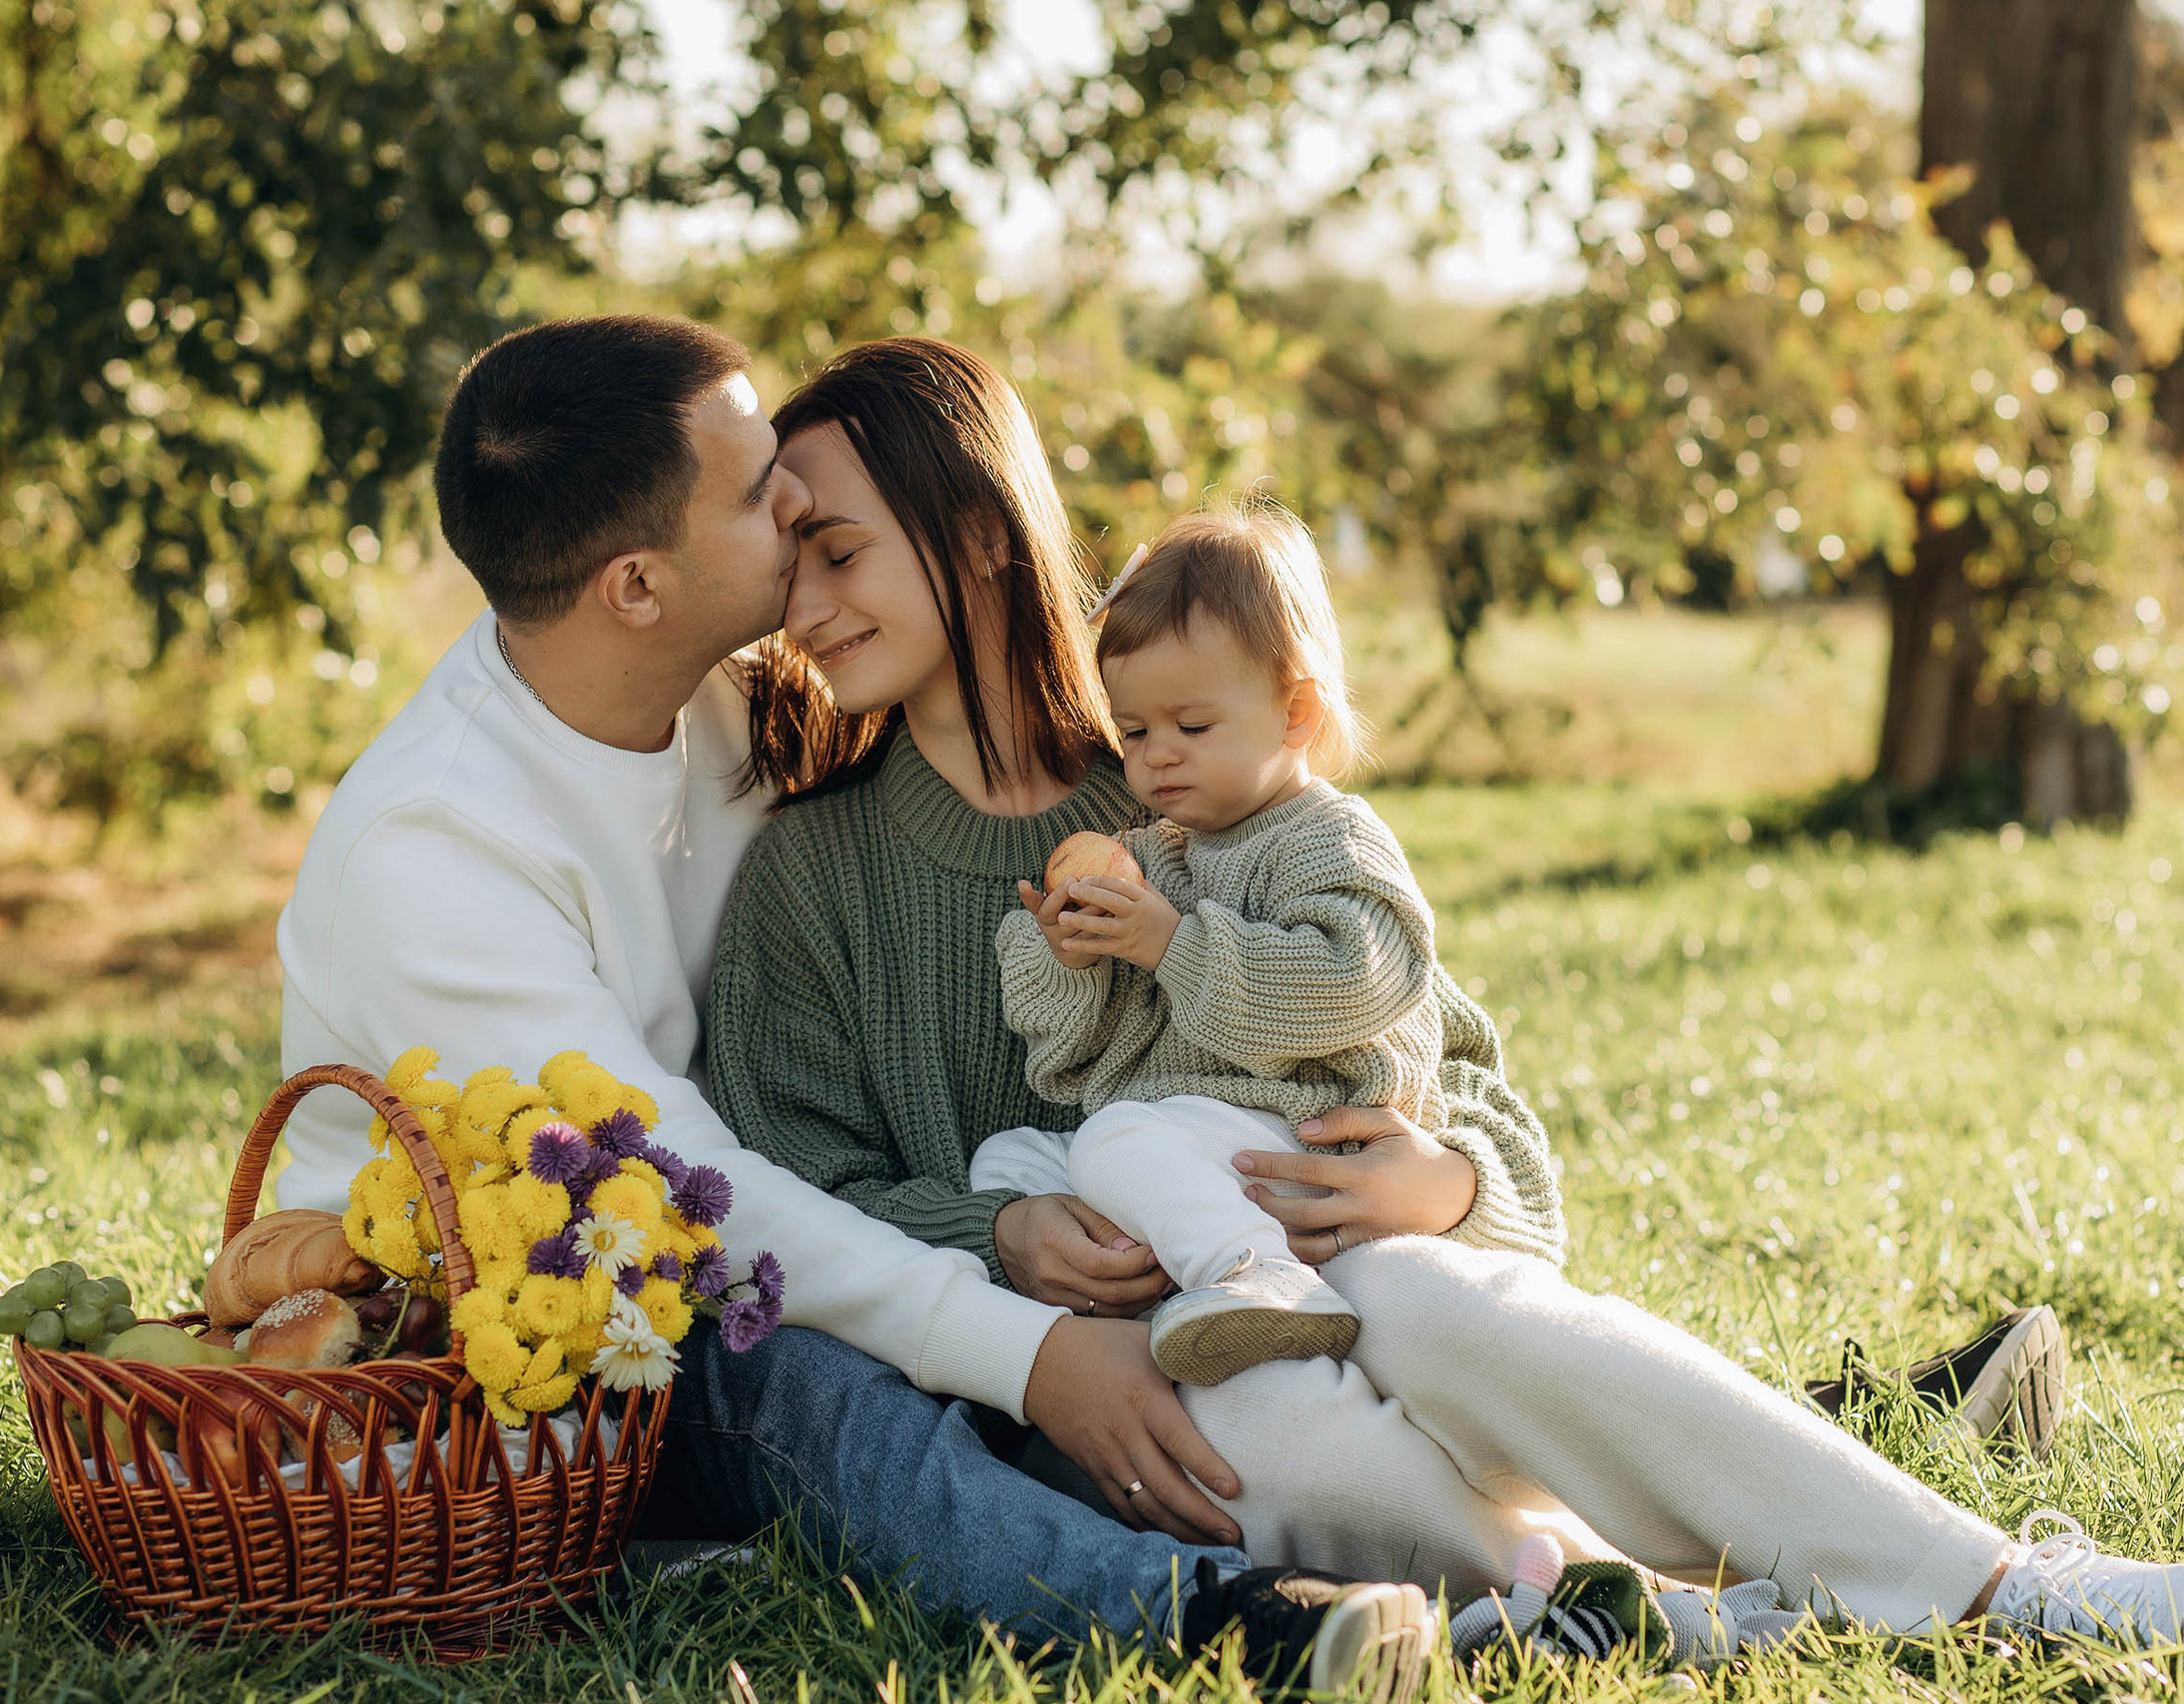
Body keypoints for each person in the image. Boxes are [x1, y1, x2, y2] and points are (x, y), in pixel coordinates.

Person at [705, 333, 2184, 1657]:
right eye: (793, 572)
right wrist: (1002, 1240)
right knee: (1293, 1435)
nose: (808, 608)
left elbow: (1459, 1072)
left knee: (1449, 1305)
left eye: (836, 549)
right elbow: (784, 1200)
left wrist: (1445, 1180)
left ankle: (2011, 1584)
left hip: (1339, 1255)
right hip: (1107, 1376)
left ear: (976, 530)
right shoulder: (805, 880)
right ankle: (1672, 1606)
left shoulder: (1196, 770)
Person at [272, 313, 1442, 1696]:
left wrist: (1450, 1160)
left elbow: (1360, 961)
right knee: (806, 1387)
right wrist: (1037, 1350)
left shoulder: (732, 706)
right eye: (761, 492)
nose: (797, 501)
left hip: (728, 1258)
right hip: (499, 1354)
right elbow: (694, 1195)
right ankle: (1219, 1620)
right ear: (637, 584)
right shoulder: (435, 845)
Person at [977, 502, 1474, 1387]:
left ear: (1296, 713)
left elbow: (1357, 979)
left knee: (1115, 1140)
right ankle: (1165, 1265)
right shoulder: (1157, 855)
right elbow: (1072, 1043)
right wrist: (1072, 956)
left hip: (1302, 1125)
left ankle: (1270, 1281)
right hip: (1201, 1133)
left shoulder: (1327, 837)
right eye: (1134, 733)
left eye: (1192, 727)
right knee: (1009, 1164)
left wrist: (1172, 944)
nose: (1157, 757)